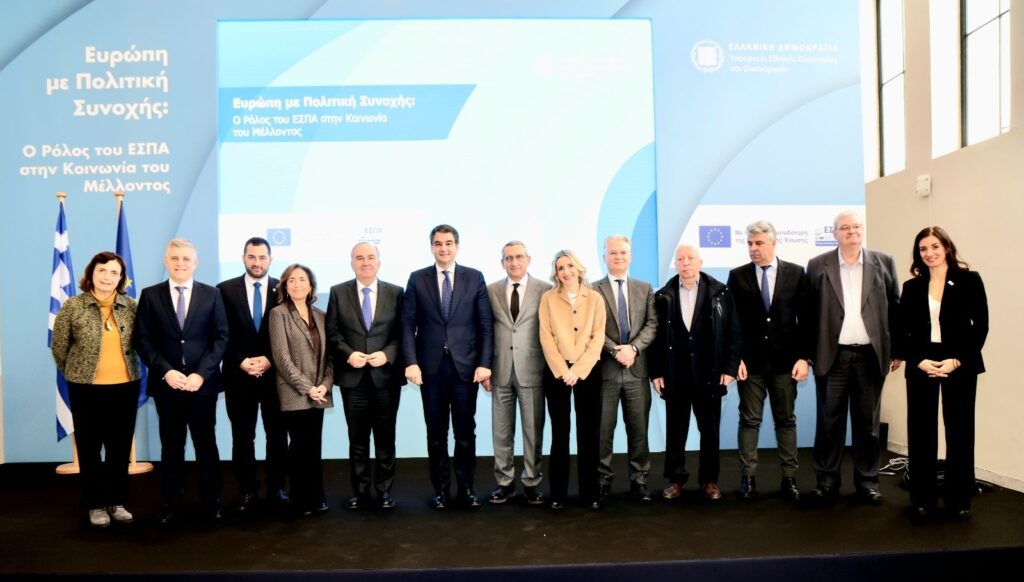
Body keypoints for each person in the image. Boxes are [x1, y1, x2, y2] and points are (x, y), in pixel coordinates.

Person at [806, 210, 901, 504]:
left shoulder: (884, 262)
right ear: (834, 233)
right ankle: (827, 482)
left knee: (868, 426)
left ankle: (868, 482)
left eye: (856, 226)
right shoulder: (817, 265)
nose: (851, 231)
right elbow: (808, 314)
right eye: (844, 227)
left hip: (870, 357)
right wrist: (808, 354)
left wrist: (897, 351)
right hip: (832, 357)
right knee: (829, 424)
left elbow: (896, 309)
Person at [135, 239, 229, 524]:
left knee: (206, 445)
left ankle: (211, 501)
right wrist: (166, 371)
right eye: (174, 258)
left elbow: (221, 337)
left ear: (195, 262)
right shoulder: (150, 295)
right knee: (172, 447)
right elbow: (143, 339)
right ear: (166, 261)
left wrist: (201, 374)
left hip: (203, 386)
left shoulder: (212, 294)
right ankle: (172, 502)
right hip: (168, 386)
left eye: (186, 259)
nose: (180, 263)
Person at [896, 226, 988, 520]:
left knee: (960, 430)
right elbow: (901, 331)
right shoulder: (912, 286)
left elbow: (981, 326)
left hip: (958, 362)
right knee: (920, 431)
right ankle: (922, 498)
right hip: (922, 362)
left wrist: (957, 361)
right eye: (923, 249)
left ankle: (959, 498)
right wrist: (918, 360)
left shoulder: (969, 280)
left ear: (947, 247)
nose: (929, 253)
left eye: (935, 246)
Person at [402, 224, 493, 509]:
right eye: (438, 243)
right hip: (430, 370)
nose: (444, 248)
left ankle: (466, 488)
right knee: (436, 433)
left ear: (457, 246)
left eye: (449, 243)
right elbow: (407, 324)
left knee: (465, 433)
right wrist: (411, 362)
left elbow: (485, 325)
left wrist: (485, 363)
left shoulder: (474, 277)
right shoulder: (417, 279)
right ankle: (441, 490)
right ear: (432, 246)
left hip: (465, 369)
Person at [51, 251, 141, 527]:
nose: (107, 277)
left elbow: (143, 341)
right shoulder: (73, 306)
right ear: (91, 273)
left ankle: (116, 500)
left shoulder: (132, 306)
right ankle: (95, 503)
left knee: (119, 447)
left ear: (121, 278)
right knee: (90, 448)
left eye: (114, 272)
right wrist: (77, 372)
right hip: (86, 389)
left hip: (125, 387)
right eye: (102, 270)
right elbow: (59, 348)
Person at [649, 244, 741, 502]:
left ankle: (709, 480)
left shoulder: (720, 292)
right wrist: (656, 372)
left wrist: (730, 368)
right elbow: (655, 338)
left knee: (710, 431)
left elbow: (733, 332)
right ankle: (675, 480)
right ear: (675, 264)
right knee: (675, 431)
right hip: (675, 374)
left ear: (701, 261)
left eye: (690, 258)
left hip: (709, 374)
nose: (686, 263)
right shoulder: (663, 295)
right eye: (680, 259)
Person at [727, 221, 811, 501]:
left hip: (786, 363)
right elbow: (732, 322)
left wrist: (804, 358)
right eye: (750, 243)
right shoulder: (737, 276)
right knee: (749, 421)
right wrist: (735, 359)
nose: (753, 248)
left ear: (773, 243)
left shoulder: (796, 273)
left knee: (785, 421)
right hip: (750, 365)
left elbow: (805, 320)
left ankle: (789, 479)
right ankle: (748, 479)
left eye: (759, 243)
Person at [325, 242, 404, 510]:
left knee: (385, 439)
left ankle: (384, 492)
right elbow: (332, 332)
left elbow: (402, 332)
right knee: (357, 440)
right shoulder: (338, 292)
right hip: (353, 379)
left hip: (385, 379)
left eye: (371, 257)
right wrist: (348, 354)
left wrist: (388, 354)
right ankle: (360, 492)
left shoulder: (396, 292)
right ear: (352, 263)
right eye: (359, 258)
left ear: (379, 262)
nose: (365, 262)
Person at [217, 237, 287, 513]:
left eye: (262, 257)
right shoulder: (224, 290)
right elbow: (220, 333)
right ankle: (247, 490)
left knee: (277, 436)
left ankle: (276, 488)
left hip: (275, 376)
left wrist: (270, 359)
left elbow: (288, 333)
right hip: (239, 376)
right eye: (251, 257)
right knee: (243, 437)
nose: (257, 262)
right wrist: (241, 361)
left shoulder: (283, 289)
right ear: (243, 258)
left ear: (271, 259)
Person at [484, 241, 552, 505]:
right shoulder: (491, 290)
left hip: (532, 369)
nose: (514, 262)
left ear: (528, 259)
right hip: (500, 369)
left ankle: (532, 481)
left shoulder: (545, 289)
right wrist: (485, 367)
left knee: (533, 432)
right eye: (508, 258)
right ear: (502, 262)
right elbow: (485, 330)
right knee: (501, 432)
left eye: (519, 257)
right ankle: (504, 482)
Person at [538, 250, 606, 509]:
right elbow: (546, 337)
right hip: (557, 373)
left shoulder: (595, 298)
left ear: (578, 268)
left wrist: (577, 370)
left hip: (587, 372)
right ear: (555, 273)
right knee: (560, 434)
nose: (565, 271)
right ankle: (558, 494)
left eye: (569, 266)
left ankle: (590, 494)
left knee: (588, 434)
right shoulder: (548, 298)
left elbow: (598, 338)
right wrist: (562, 369)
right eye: (560, 268)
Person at [593, 235, 658, 502]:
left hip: (636, 371)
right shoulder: (592, 290)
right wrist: (615, 350)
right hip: (605, 372)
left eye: (623, 252)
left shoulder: (645, 288)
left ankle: (639, 481)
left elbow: (652, 324)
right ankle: (602, 481)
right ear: (604, 257)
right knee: (603, 431)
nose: (618, 256)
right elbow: (591, 329)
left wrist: (633, 349)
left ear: (630, 256)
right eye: (613, 252)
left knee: (639, 430)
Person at [268, 263, 334, 517]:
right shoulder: (278, 314)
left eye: (302, 279)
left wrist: (324, 385)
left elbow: (330, 357)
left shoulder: (320, 315)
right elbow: (281, 358)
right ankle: (299, 501)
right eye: (292, 280)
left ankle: (317, 497)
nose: (297, 284)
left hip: (319, 392)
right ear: (285, 286)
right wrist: (308, 388)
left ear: (311, 285)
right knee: (299, 448)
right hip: (294, 392)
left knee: (313, 447)